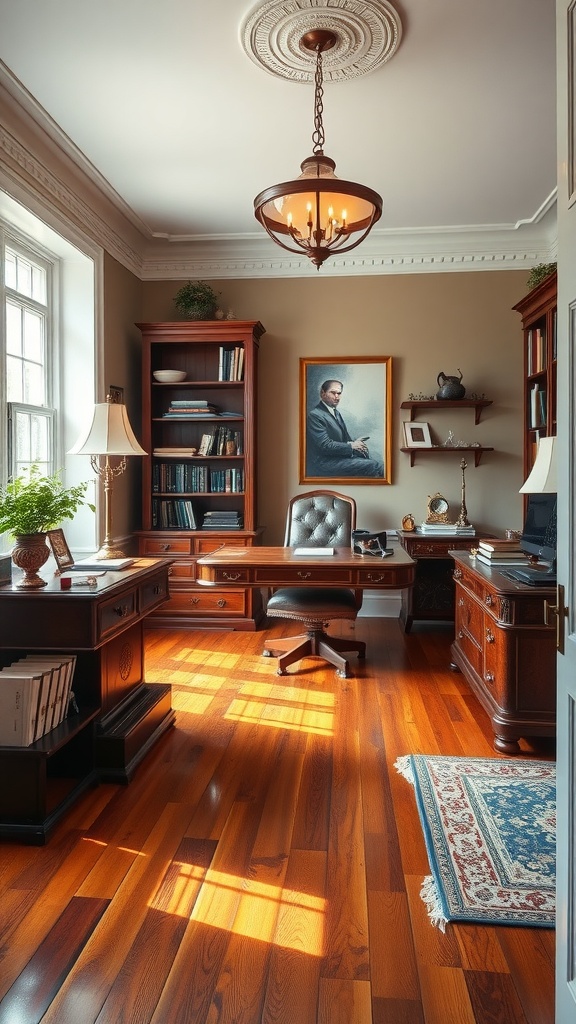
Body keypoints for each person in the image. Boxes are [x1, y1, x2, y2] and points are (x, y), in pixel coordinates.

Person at [306, 379, 384, 477]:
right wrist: (351, 446)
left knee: (371, 460)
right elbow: (324, 446)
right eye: (333, 393)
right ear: (323, 393)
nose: (337, 397)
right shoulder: (315, 415)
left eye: (339, 393)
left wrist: (354, 443)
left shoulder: (336, 413)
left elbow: (345, 439)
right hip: (324, 463)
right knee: (374, 466)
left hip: (338, 458)